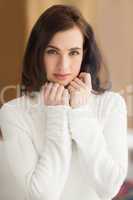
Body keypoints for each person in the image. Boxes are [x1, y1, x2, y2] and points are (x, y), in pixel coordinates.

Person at [0, 4, 128, 200]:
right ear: (38, 52)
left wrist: (81, 114)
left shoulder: (111, 104)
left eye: (73, 52)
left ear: (84, 53)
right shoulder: (13, 112)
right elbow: (43, 195)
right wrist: (56, 115)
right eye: (52, 51)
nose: (63, 65)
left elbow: (109, 188)